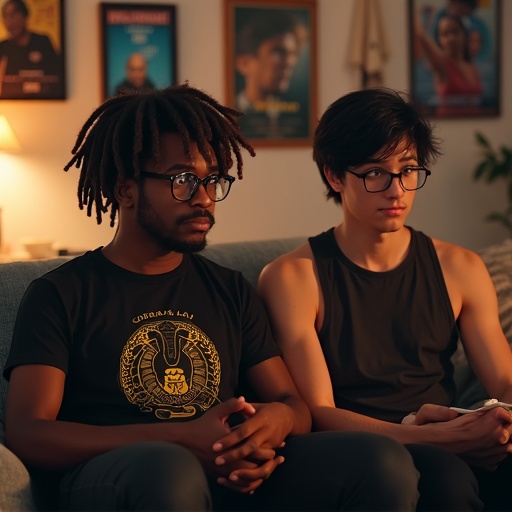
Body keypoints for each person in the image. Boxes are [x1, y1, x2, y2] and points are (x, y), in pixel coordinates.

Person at [2, 84, 421, 511]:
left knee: (380, 459)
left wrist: (272, 426)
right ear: (125, 189)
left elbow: (292, 404)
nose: (204, 198)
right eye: (183, 180)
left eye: (213, 179)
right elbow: (28, 431)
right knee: (169, 468)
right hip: (119, 476)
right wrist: (180, 437)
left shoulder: (230, 289)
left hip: (225, 468)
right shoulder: (61, 294)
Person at [258, 88, 512, 511]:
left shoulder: (460, 268)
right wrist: (435, 438)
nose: (397, 191)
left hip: (448, 431)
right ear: (334, 176)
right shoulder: (293, 278)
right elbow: (319, 411)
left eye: (408, 170)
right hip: (363, 451)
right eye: (375, 172)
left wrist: (494, 426)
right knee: (445, 479)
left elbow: (504, 383)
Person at [234, 9, 309, 139]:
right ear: (244, 63)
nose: (289, 63)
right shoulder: (228, 117)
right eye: (278, 52)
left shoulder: (301, 118)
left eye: (293, 54)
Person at [414, 10, 482, 117]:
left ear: (464, 34)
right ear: (440, 40)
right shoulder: (442, 64)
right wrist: (417, 13)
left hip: (474, 127)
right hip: (449, 128)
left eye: (455, 32)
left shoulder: (471, 65)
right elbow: (420, 34)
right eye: (445, 34)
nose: (451, 38)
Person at [0, 0, 62, 98]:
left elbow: (57, 80)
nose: (9, 22)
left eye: (13, 15)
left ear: (25, 16)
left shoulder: (43, 42)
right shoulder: (3, 48)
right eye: (5, 16)